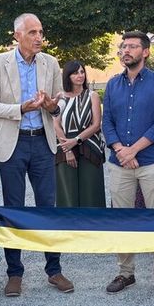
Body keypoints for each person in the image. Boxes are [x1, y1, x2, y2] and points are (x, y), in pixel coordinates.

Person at [0, 13, 73, 297]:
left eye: (41, 32)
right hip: (12, 143)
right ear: (17, 35)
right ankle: (14, 272)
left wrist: (50, 105)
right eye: (32, 32)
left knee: (48, 207)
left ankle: (54, 270)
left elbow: (58, 106)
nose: (38, 38)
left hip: (42, 143)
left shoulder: (51, 63)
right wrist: (21, 108)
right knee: (14, 208)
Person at [102, 31, 154, 295]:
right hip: (120, 162)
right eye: (123, 47)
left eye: (132, 46)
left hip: (151, 161)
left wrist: (133, 151)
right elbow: (107, 122)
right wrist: (121, 150)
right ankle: (125, 272)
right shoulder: (112, 85)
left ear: (145, 52)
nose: (125, 51)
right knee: (122, 219)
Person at [54, 60, 106, 208]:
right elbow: (55, 124)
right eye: (76, 73)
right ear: (68, 76)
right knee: (67, 194)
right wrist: (68, 148)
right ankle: (67, 227)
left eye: (82, 72)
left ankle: (94, 227)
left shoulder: (92, 96)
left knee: (91, 192)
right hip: (64, 147)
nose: (80, 75)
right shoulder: (61, 97)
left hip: (89, 146)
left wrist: (76, 140)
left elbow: (96, 125)